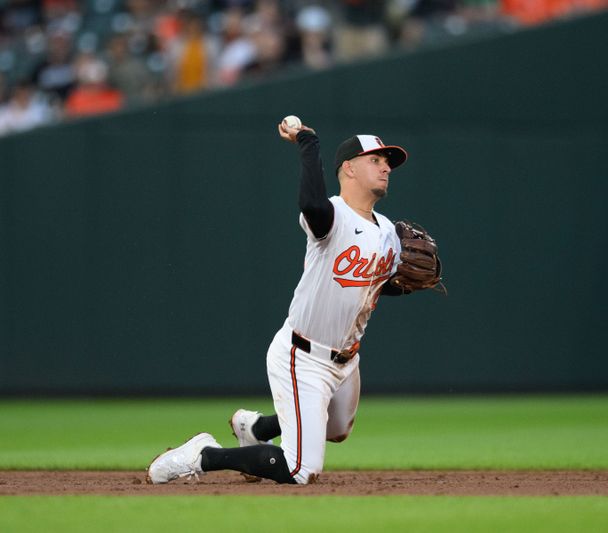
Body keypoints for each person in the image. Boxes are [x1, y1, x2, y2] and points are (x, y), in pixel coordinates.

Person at [147, 119, 440, 485]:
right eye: (376, 159)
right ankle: (202, 455)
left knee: (338, 431)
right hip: (302, 356)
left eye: (388, 162)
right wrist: (307, 143)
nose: (385, 167)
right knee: (301, 469)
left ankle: (255, 428)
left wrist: (406, 285)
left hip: (347, 360)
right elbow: (311, 204)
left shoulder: (388, 231)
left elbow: (372, 285)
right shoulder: (332, 216)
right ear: (348, 168)